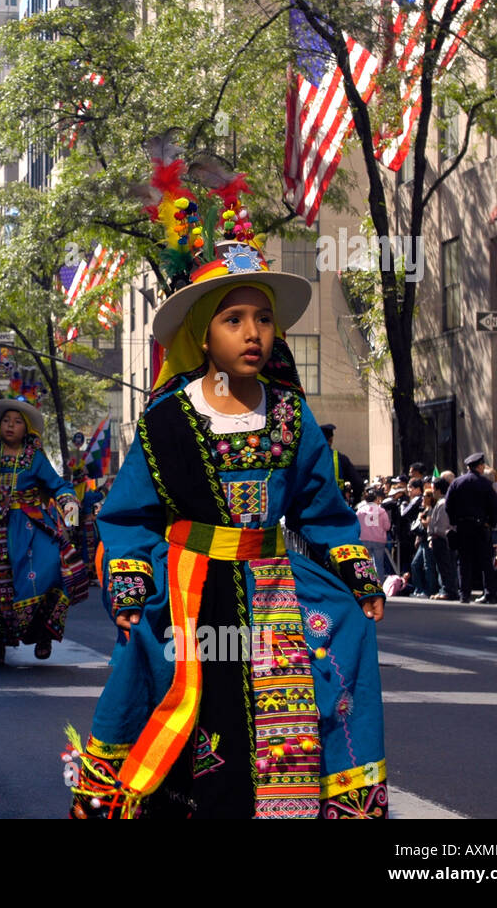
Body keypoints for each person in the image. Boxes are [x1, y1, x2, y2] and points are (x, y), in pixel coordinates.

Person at [65, 165, 385, 819]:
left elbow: (323, 510)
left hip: (272, 586)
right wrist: (130, 583)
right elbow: (129, 514)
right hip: (187, 586)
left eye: (263, 318)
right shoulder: (166, 420)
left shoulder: (291, 417)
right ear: (203, 334)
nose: (253, 332)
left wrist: (356, 574)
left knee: (318, 671)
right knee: (173, 696)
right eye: (234, 318)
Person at [0, 387, 87, 665]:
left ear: (26, 429)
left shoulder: (34, 457)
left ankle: (43, 634)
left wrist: (70, 508)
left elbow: (58, 485)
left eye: (17, 421)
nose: (10, 425)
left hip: (30, 528)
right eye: (6, 420)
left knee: (48, 571)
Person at [446, 452, 497, 604]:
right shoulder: (485, 484)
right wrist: (491, 522)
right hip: (481, 525)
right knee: (485, 561)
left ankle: (465, 594)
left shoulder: (457, 483)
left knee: (464, 561)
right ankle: (490, 593)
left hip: (463, 525)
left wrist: (454, 521)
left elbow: (449, 504)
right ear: (480, 466)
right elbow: (494, 506)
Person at [356, 487, 393, 581]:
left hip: (364, 539)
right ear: (375, 499)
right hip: (379, 539)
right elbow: (387, 526)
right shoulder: (382, 511)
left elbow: (356, 525)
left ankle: (368, 583)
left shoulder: (360, 511)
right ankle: (379, 585)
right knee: (378, 564)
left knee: (366, 563)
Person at [320, 423, 357, 501]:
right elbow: (358, 483)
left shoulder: (310, 458)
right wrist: (355, 501)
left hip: (315, 506)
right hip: (336, 505)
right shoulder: (341, 459)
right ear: (331, 440)